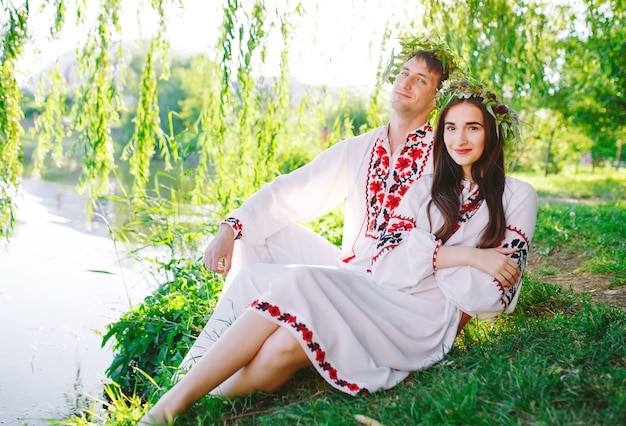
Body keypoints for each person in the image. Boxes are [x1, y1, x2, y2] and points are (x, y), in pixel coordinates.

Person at [138, 77, 538, 425]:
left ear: (493, 133)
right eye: (450, 128)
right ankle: (184, 396)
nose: (460, 139)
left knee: (301, 278)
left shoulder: (518, 196)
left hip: (428, 323)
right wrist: (470, 256)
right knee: (281, 342)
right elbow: (387, 264)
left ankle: (170, 405)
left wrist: (423, 254)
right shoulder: (429, 186)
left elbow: (489, 297)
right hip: (385, 293)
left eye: (473, 128)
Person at [180, 34, 463, 371]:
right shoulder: (360, 147)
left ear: (436, 97)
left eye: (421, 80)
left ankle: (192, 376)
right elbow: (292, 190)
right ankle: (239, 351)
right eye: (404, 73)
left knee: (249, 279)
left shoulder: (442, 158)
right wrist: (230, 227)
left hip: (390, 288)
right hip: (350, 270)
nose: (407, 83)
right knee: (259, 233)